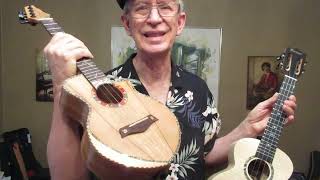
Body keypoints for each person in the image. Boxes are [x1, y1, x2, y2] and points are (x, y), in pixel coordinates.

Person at [43, 0, 297, 179]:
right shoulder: (95, 93)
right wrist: (60, 85)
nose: (155, 19)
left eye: (165, 6)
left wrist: (247, 128)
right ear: (127, 24)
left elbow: (203, 155)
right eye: (142, 8)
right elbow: (67, 176)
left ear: (180, 22)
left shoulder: (197, 89)